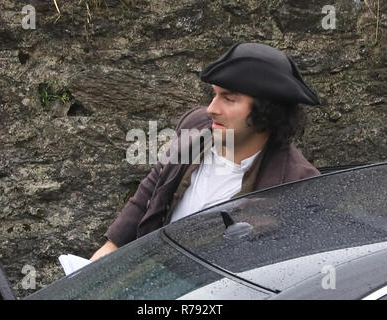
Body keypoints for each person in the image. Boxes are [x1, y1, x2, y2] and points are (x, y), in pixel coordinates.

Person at [90, 42, 321, 261]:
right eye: (214, 94)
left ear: (267, 112)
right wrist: (110, 249)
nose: (212, 109)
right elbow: (151, 192)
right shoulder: (196, 127)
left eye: (228, 99)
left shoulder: (296, 184)